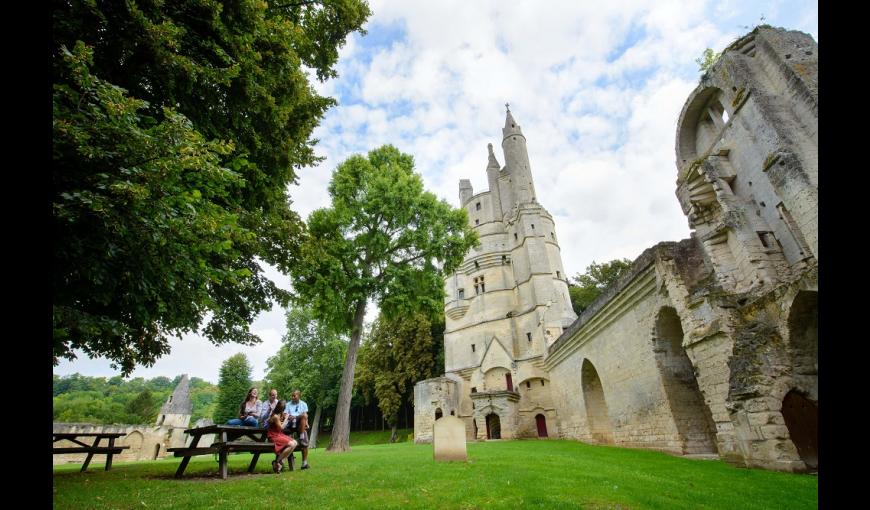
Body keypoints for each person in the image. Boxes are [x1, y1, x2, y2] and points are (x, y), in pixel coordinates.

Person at [267, 400, 297, 473]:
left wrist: (290, 417)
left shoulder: (281, 414)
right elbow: (281, 428)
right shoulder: (275, 416)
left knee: (295, 443)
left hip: (279, 434)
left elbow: (282, 423)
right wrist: (286, 419)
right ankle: (278, 462)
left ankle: (279, 462)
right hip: (273, 435)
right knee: (291, 444)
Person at [283, 389, 310, 469]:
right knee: (302, 417)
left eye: (294, 395)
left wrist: (307, 423)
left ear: (299, 396)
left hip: (300, 424)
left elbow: (305, 416)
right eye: (292, 396)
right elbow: (285, 415)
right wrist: (289, 416)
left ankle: (304, 463)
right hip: (290, 423)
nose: (293, 397)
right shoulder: (288, 404)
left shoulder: (303, 404)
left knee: (304, 441)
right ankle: (281, 462)